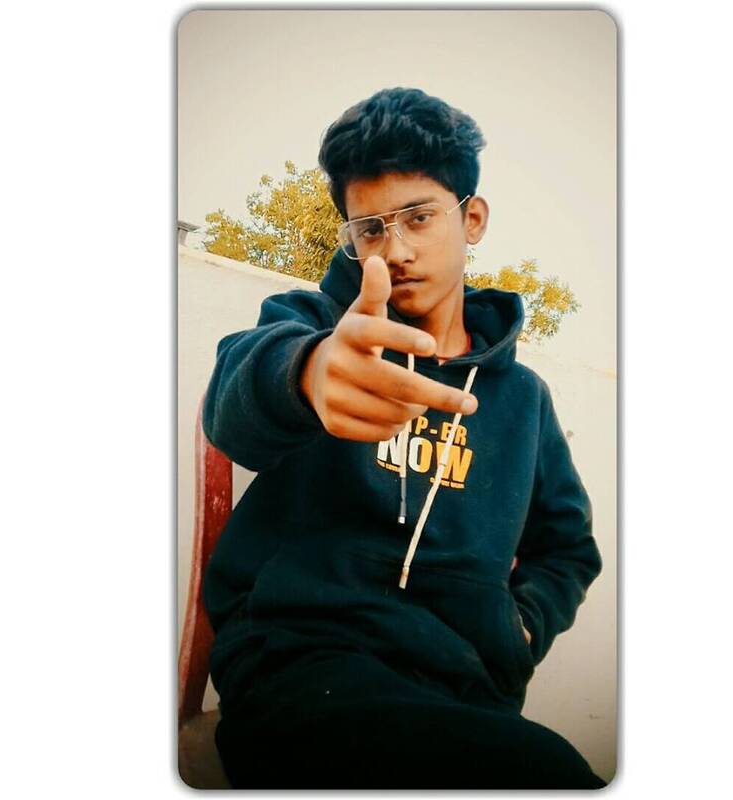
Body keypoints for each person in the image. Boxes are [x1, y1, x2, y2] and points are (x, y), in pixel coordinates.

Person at [201, 87, 604, 789]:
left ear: (471, 218)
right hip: (298, 663)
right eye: (370, 229)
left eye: (419, 217)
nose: (396, 250)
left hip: (465, 688)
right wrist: (307, 373)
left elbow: (567, 546)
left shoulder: (523, 400)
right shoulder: (314, 325)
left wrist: (519, 630)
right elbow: (233, 402)